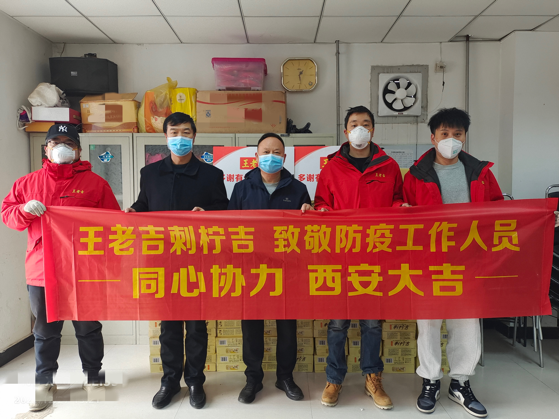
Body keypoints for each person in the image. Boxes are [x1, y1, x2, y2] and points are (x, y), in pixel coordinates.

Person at [2, 124, 120, 412]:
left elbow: (114, 224)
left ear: (78, 150)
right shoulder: (27, 183)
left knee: (89, 328)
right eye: (56, 142)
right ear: (46, 148)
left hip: (85, 270)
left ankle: (94, 379)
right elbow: (8, 215)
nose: (62, 147)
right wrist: (23, 210)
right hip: (43, 271)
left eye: (69, 142)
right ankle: (44, 385)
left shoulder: (95, 184)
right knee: (44, 331)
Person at [125, 112, 228, 410]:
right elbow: (144, 204)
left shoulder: (211, 175)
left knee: (196, 326)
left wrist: (207, 213)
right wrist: (133, 211)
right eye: (174, 132)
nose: (180, 138)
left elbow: (225, 209)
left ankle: (195, 380)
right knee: (168, 326)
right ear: (166, 137)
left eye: (185, 132)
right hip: (162, 261)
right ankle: (169, 381)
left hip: (197, 261)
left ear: (194, 137)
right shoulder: (150, 173)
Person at [403, 107, 501, 418]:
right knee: (428, 323)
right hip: (428, 260)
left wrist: (539, 218)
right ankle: (430, 381)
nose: (451, 139)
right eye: (444, 133)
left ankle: (460, 383)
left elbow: (499, 210)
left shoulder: (481, 173)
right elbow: (401, 214)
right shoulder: (416, 175)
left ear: (465, 137)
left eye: (457, 134)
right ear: (433, 138)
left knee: (467, 323)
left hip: (469, 259)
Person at [314, 106, 405, 410]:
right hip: (340, 256)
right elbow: (322, 203)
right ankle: (334, 378)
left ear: (373, 130)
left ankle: (372, 378)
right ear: (346, 131)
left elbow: (397, 200)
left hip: (376, 256)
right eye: (354, 124)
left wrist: (401, 208)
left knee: (372, 323)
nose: (360, 129)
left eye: (365, 124)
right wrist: (322, 211)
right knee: (337, 323)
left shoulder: (389, 166)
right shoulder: (332, 168)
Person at [228, 133, 311, 404]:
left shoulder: (297, 189)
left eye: (276, 152)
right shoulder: (242, 189)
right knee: (251, 327)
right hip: (252, 270)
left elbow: (308, 232)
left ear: (284, 157)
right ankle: (253, 378)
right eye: (265, 152)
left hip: (287, 270)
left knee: (287, 326)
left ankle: (284, 377)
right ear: (256, 156)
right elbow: (229, 230)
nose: (271, 157)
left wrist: (309, 211)